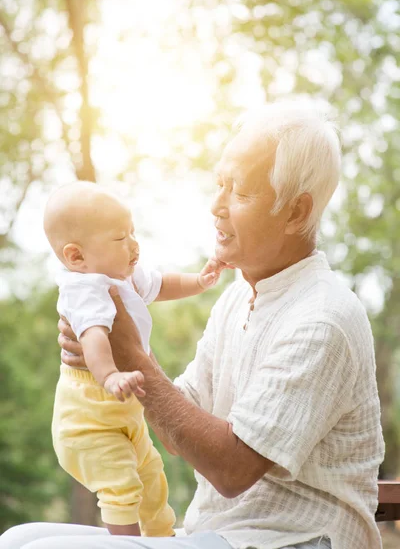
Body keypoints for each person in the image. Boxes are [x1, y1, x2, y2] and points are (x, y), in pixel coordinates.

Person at [0, 102, 385, 549]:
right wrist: (108, 364)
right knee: (17, 539)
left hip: (289, 540)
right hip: (219, 534)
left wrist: (131, 356)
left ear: (296, 213)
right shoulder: (238, 297)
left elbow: (231, 469)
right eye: (219, 184)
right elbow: (180, 426)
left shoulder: (324, 317)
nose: (215, 206)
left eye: (238, 192)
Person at [39, 182, 225, 538]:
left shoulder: (122, 274)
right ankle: (124, 544)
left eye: (133, 233)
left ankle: (161, 538)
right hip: (90, 416)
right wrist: (109, 375)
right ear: (76, 256)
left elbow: (161, 284)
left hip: (123, 408)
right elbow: (93, 337)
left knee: (151, 476)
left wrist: (199, 282)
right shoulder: (84, 289)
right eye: (120, 238)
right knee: (121, 485)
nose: (134, 245)